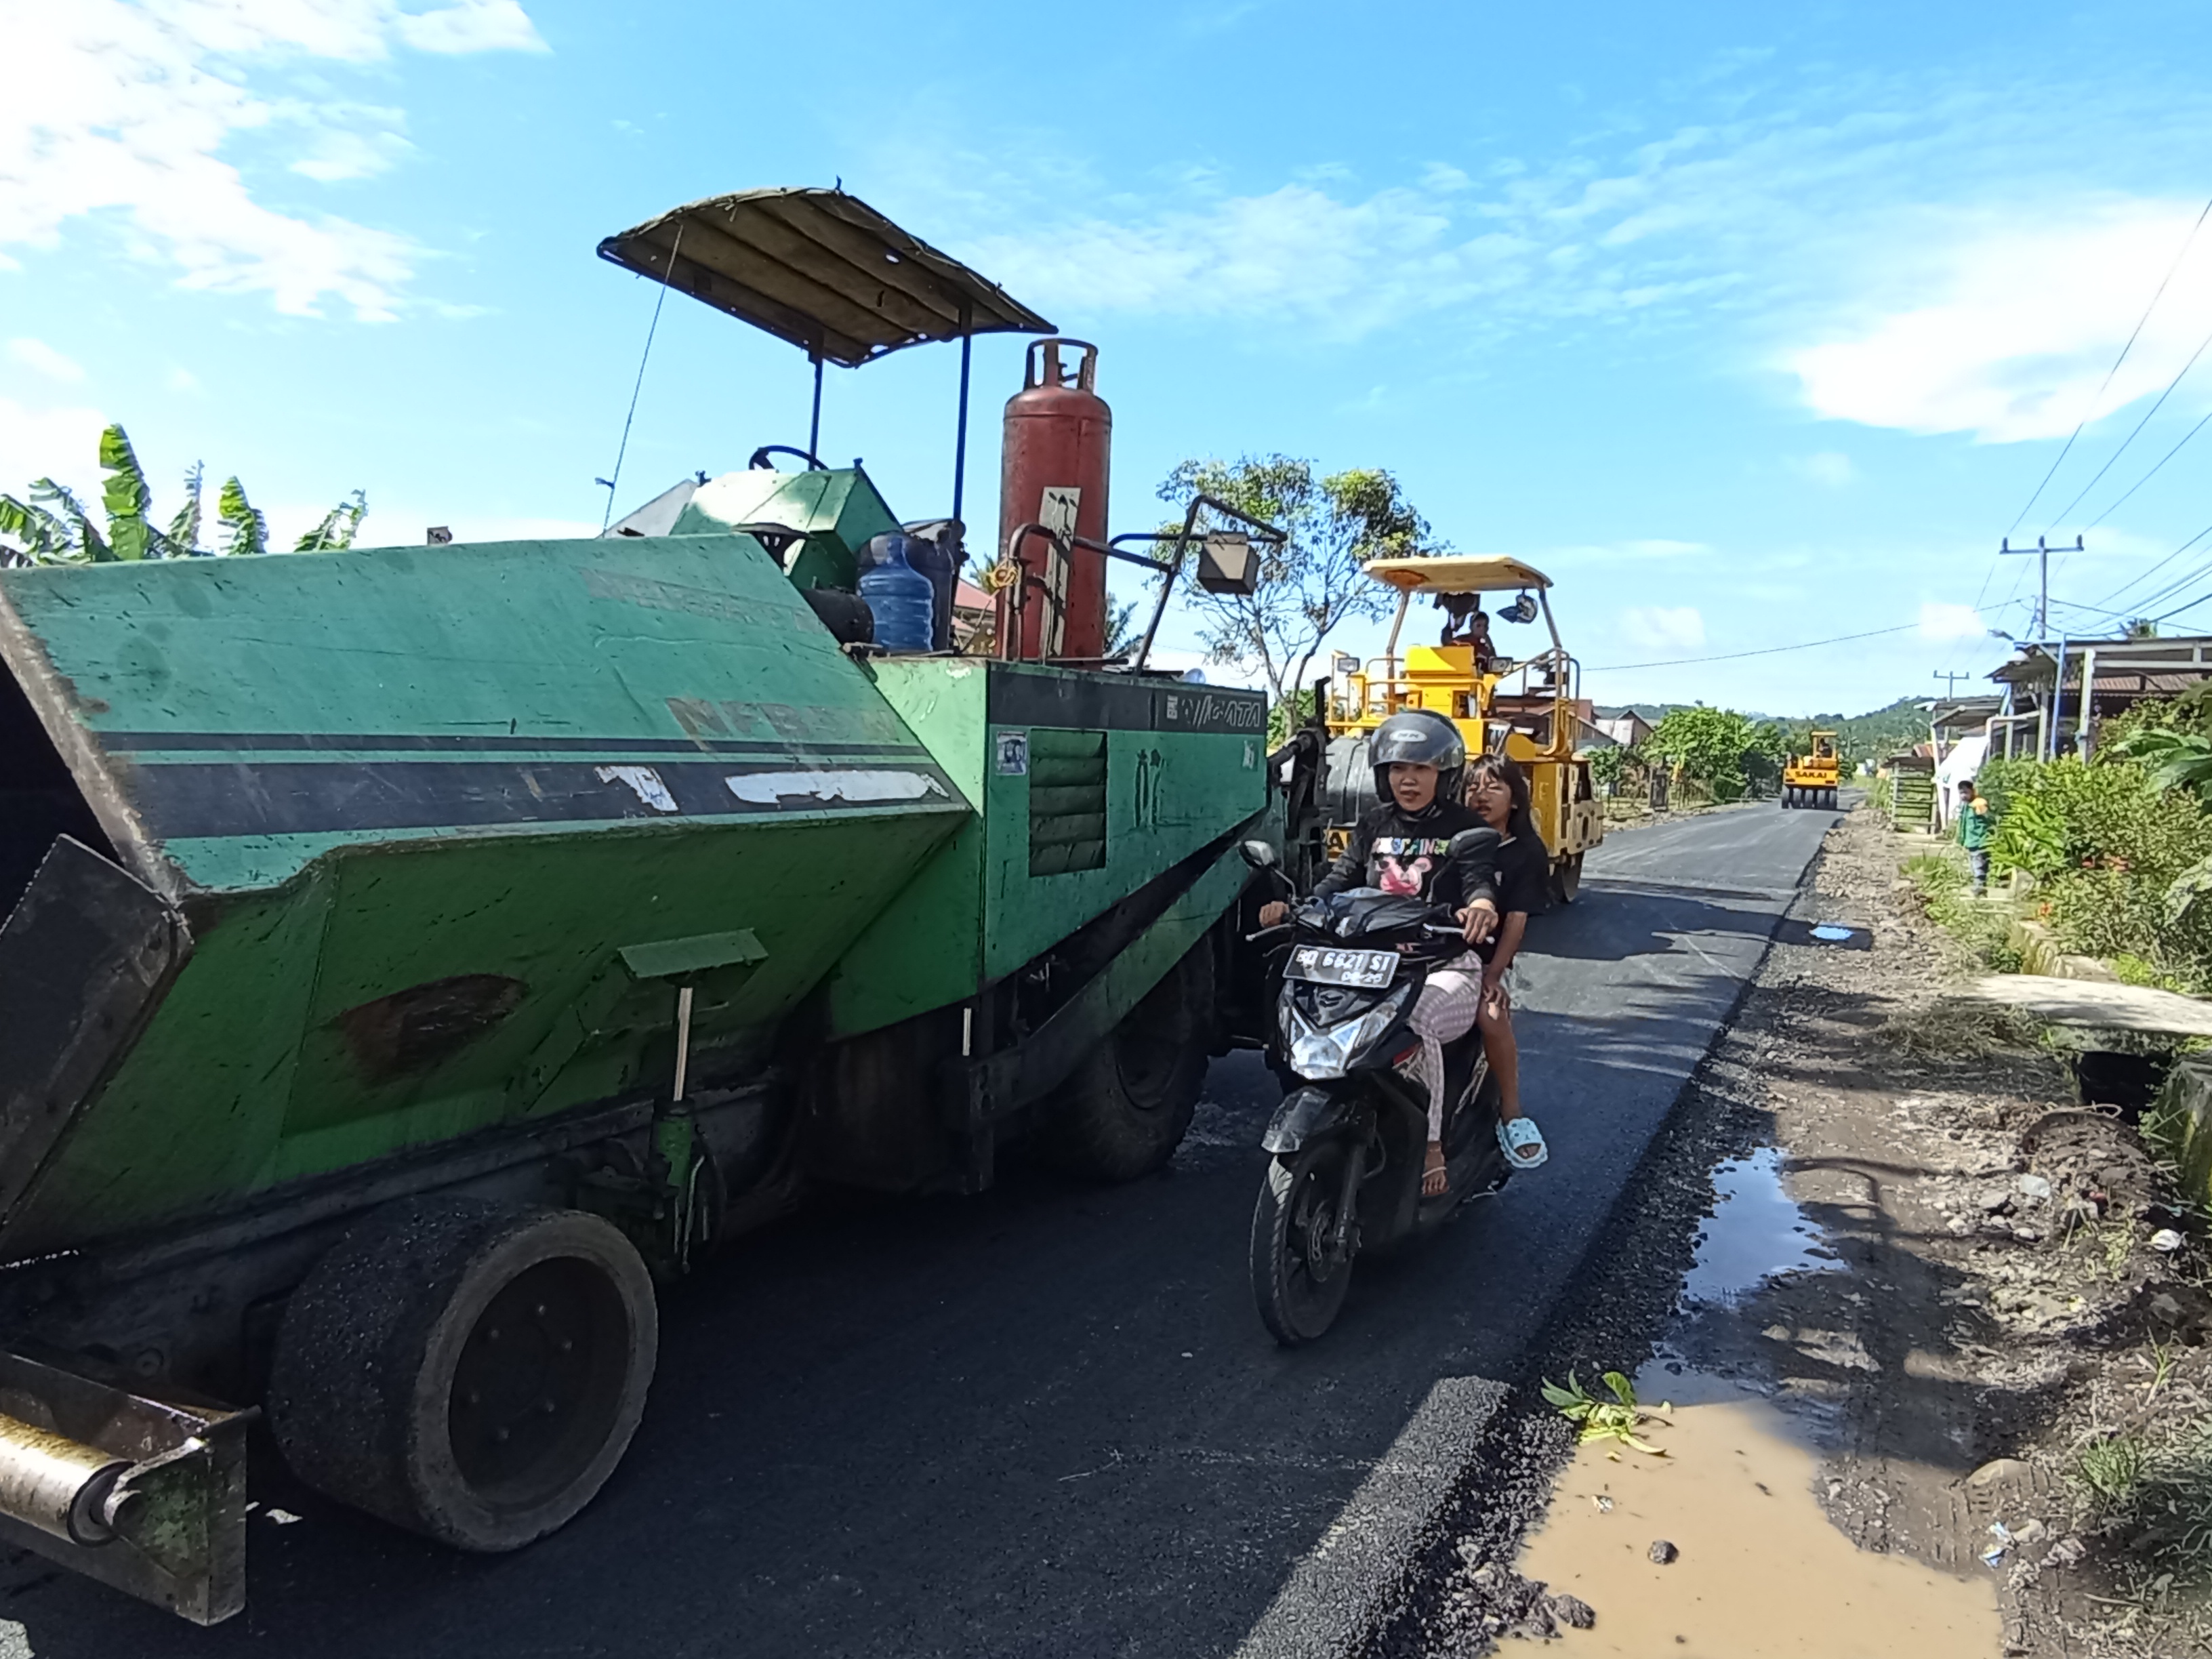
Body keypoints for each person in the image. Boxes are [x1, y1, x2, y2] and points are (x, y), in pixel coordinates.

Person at [1256, 710, 1500, 1196]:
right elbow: (1343, 877)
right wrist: (1298, 905)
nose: (1407, 780)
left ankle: (1431, 1146)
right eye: (1396, 769)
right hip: (1370, 962)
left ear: (1444, 774)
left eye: (1421, 769)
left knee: (1418, 1022)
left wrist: (1481, 906)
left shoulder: (1463, 828)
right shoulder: (1373, 823)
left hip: (1440, 962)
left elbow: (1480, 881)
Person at [1460, 753, 1552, 1172]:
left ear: (1514, 799)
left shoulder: (1526, 851)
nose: (1480, 796)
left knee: (1491, 1013)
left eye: (1493, 787)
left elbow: (1515, 922)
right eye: (1472, 787)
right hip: (1434, 952)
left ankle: (1511, 1112)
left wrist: (1493, 975)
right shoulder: (1452, 838)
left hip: (1484, 959)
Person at [1956, 778, 1995, 895]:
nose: (1963, 796)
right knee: (1975, 862)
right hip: (1970, 840)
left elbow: (1989, 818)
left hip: (1980, 839)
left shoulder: (1978, 803)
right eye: (1961, 793)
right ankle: (1980, 885)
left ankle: (1979, 885)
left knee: (1978, 862)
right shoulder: (1966, 806)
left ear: (1972, 791)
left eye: (1966, 793)